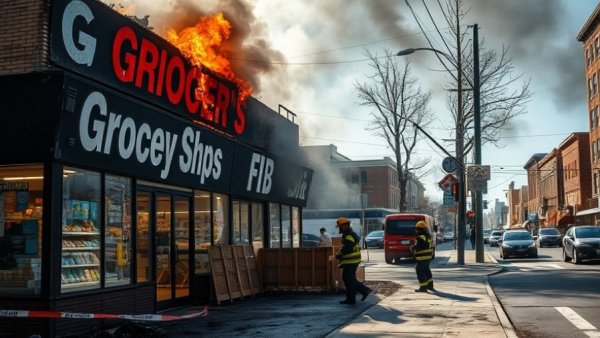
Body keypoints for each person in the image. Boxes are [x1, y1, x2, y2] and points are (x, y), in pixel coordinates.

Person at [335, 217, 372, 304]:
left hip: (351, 261)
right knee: (347, 279)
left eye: (340, 227)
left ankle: (364, 290)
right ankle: (351, 299)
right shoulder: (349, 234)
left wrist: (340, 254)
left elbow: (348, 247)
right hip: (351, 261)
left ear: (344, 226)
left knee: (350, 279)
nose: (339, 228)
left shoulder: (349, 235)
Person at [411, 220, 434, 292]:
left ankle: (423, 287)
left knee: (419, 270)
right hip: (428, 257)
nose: (416, 230)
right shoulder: (428, 237)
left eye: (417, 228)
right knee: (426, 270)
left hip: (422, 257)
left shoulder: (420, 238)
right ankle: (430, 285)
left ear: (419, 229)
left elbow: (420, 247)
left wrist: (413, 247)